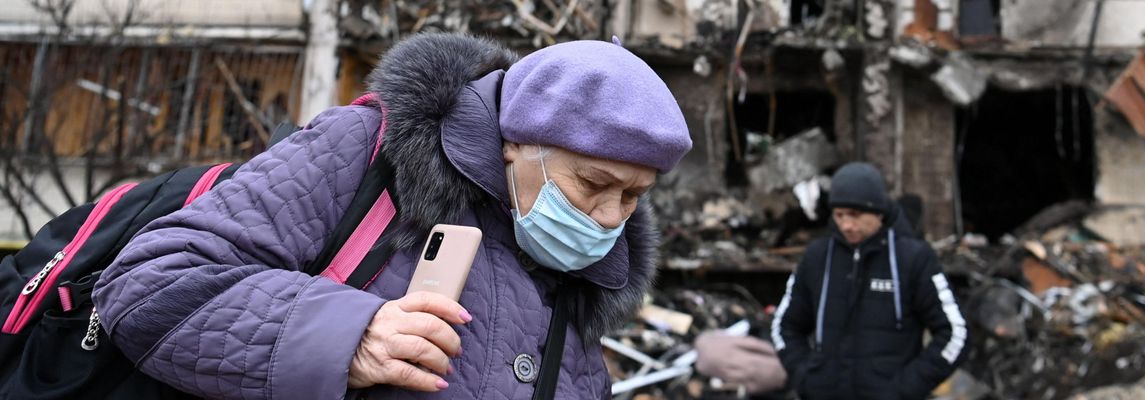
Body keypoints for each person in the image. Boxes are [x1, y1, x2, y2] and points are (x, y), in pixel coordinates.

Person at [93, 33, 691, 399]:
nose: (611, 218)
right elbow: (150, 286)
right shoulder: (365, 149)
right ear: (517, 141)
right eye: (594, 183)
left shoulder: (585, 281)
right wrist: (348, 339)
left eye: (634, 196)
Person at [770, 162, 968, 400]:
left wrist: (906, 388)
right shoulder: (817, 257)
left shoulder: (913, 258)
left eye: (855, 215)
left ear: (878, 212)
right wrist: (806, 378)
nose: (846, 225)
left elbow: (956, 333)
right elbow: (785, 326)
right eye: (839, 215)